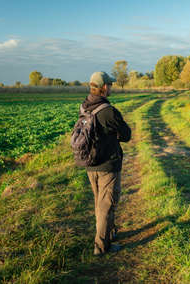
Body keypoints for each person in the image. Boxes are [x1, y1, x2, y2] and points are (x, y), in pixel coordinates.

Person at [81, 71, 131, 256]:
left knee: (100, 203)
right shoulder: (108, 111)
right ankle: (101, 247)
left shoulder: (85, 105)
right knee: (106, 205)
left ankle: (109, 233)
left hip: (91, 163)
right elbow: (126, 135)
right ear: (103, 87)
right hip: (108, 165)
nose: (111, 87)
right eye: (109, 84)